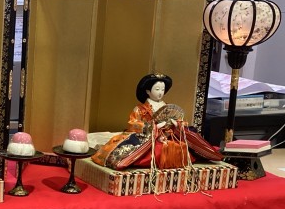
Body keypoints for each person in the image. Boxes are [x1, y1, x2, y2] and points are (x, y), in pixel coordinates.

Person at [92, 73, 222, 170]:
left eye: (163, 90)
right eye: (157, 89)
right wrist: (153, 126)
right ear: (148, 91)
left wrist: (176, 123)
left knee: (184, 145)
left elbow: (180, 120)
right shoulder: (141, 109)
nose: (160, 93)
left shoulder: (167, 106)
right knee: (150, 151)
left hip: (170, 135)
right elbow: (133, 123)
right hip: (151, 137)